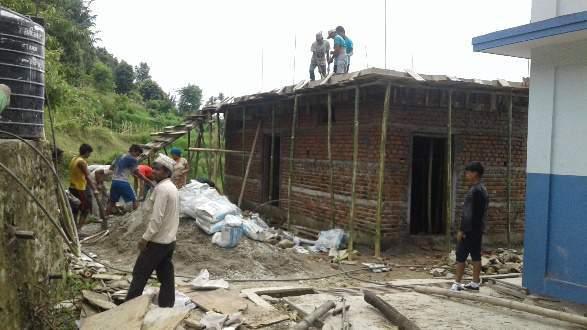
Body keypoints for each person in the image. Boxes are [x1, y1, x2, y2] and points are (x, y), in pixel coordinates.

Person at [125, 154, 178, 307]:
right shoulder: (171, 188)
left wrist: (145, 238)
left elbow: (157, 218)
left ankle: (127, 308)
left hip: (156, 242)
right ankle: (167, 305)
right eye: (153, 168)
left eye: (157, 169)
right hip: (169, 241)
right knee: (166, 276)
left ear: (167, 172)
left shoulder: (162, 189)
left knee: (139, 274)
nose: (153, 171)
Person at [451, 161, 489, 292]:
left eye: (468, 172)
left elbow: (468, 214)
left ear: (475, 174)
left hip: (470, 229)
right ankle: (475, 282)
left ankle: (457, 283)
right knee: (476, 255)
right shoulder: (483, 189)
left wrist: (462, 230)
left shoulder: (474, 191)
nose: (466, 174)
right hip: (478, 228)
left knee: (461, 255)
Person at [106, 144, 153, 215]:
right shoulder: (132, 159)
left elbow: (111, 168)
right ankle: (137, 219)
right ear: (134, 151)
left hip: (114, 182)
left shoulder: (120, 156)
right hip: (123, 182)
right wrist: (148, 181)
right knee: (134, 200)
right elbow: (138, 173)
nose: (137, 156)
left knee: (112, 202)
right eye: (137, 154)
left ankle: (105, 220)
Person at [68, 144, 97, 230]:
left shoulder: (74, 159)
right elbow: (88, 176)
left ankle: (74, 229)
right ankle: (78, 229)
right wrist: (95, 189)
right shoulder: (81, 162)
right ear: (87, 152)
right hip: (79, 189)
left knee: (75, 209)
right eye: (89, 153)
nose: (90, 155)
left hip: (72, 187)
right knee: (86, 209)